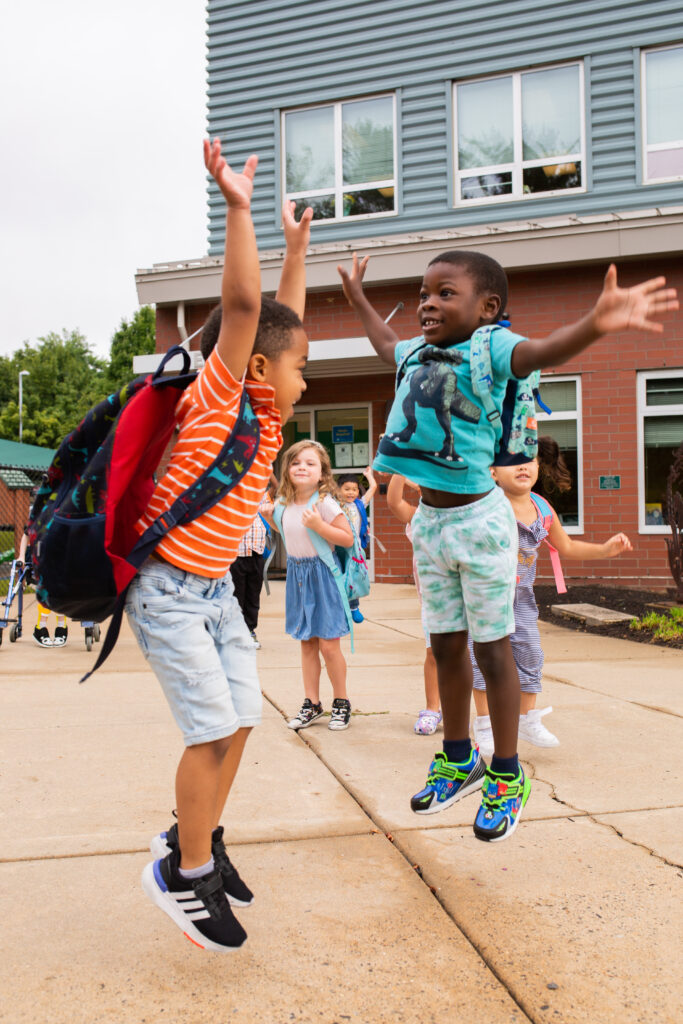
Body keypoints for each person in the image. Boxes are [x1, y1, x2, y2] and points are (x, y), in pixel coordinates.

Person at [338, 248, 677, 842]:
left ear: (487, 307)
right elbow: (382, 342)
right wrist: (357, 298)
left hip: (481, 524)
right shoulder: (416, 353)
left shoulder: (490, 347)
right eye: (424, 294)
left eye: (445, 293)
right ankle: (458, 758)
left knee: (492, 649)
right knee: (446, 646)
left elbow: (540, 352)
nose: (428, 303)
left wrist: (595, 324)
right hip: (432, 526)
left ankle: (506, 772)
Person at [128, 138, 312, 953]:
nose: (306, 379)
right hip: (169, 591)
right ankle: (184, 874)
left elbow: (277, 322)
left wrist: (295, 251)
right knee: (208, 731)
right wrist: (239, 209)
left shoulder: (264, 415)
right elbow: (246, 314)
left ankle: (192, 837)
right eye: (299, 368)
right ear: (258, 369)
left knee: (239, 720)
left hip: (211, 593)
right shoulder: (217, 403)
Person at [471, 436, 633, 756]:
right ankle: (485, 724)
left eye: (529, 460)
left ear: (538, 466)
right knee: (483, 659)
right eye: (512, 460)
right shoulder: (486, 503)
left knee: (531, 653)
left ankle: (526, 719)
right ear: (492, 471)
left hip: (521, 597)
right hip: (483, 597)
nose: (523, 466)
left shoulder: (542, 508)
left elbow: (567, 546)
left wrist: (605, 550)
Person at [262, 440, 354, 731]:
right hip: (298, 576)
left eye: (310, 463)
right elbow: (290, 531)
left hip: (323, 576)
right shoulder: (283, 503)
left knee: (329, 645)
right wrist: (271, 519)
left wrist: (319, 526)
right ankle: (312, 703)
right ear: (287, 469)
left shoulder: (323, 502)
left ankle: (341, 702)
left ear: (322, 473)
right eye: (296, 462)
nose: (302, 467)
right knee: (307, 643)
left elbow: (347, 538)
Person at [386, 473, 441, 735]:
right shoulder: (420, 517)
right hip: (434, 602)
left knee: (466, 658)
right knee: (434, 653)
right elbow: (394, 502)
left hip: (465, 599)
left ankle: (460, 709)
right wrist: (399, 469)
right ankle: (432, 708)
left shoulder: (463, 517)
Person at [229, 493, 272, 650]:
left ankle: (249, 630)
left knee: (253, 596)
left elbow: (269, 514)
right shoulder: (231, 493)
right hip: (236, 554)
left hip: (256, 552)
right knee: (236, 596)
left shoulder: (262, 494)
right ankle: (235, 633)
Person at [337, 466, 377, 622]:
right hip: (339, 548)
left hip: (355, 548)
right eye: (347, 489)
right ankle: (341, 608)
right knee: (341, 577)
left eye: (354, 489)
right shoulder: (335, 505)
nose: (351, 492)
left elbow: (373, 488)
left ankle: (354, 607)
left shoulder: (359, 504)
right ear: (339, 490)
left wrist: (369, 475)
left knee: (354, 577)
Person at [18, 530, 68, 647]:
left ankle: (61, 626)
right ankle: (41, 627)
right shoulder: (38, 520)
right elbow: (26, 535)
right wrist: (21, 556)